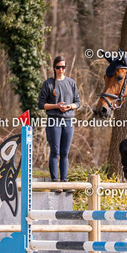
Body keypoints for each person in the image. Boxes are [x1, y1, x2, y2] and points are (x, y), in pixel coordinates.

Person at [37, 56, 80, 193]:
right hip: (53, 120)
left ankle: (64, 182)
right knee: (55, 151)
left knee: (65, 152)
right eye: (58, 67)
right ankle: (55, 183)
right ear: (54, 68)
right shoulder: (48, 84)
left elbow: (78, 102)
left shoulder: (71, 83)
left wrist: (70, 106)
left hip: (68, 120)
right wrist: (56, 106)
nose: (61, 69)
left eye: (63, 67)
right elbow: (41, 104)